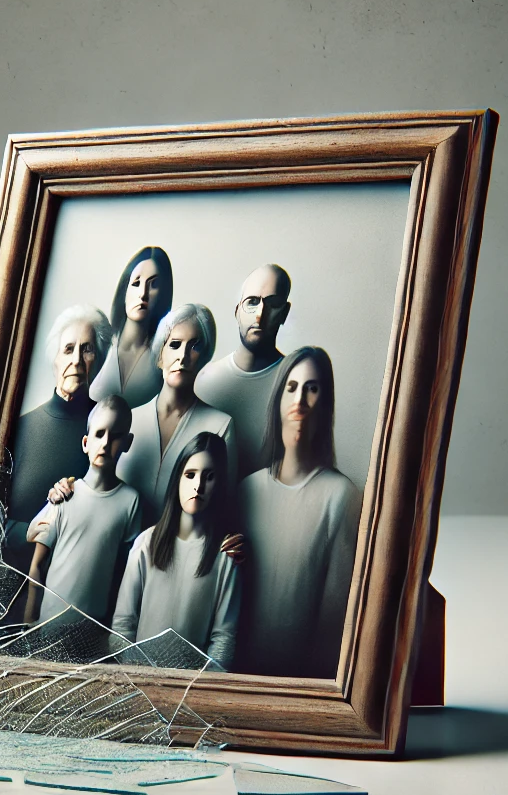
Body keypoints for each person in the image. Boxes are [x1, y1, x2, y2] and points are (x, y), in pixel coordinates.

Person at [234, 346, 361, 678]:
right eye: (291, 387)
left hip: (303, 684)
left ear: (326, 403)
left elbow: (334, 623)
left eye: (312, 388)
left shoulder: (341, 497)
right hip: (239, 676)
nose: (300, 400)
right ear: (277, 400)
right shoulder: (247, 491)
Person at [111, 432, 240, 670]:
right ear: (178, 479)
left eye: (209, 477)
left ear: (219, 485)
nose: (198, 485)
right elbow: (122, 626)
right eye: (190, 475)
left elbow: (224, 640)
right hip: (139, 684)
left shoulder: (224, 556)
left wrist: (200, 689)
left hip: (192, 692)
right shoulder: (146, 543)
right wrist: (136, 677)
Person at [2, 304, 112, 574]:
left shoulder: (110, 429)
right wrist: (25, 532)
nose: (76, 359)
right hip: (10, 579)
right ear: (55, 360)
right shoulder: (20, 429)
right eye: (68, 349)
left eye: (87, 349)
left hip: (78, 579)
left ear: (97, 361)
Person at [23, 396, 141, 629]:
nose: (106, 443)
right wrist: (28, 621)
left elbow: (124, 574)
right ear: (86, 442)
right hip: (47, 625)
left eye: (116, 436)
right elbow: (37, 564)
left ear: (127, 442)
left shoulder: (130, 501)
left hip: (92, 632)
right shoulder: (65, 495)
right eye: (99, 434)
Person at [116, 303, 236, 523]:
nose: (183, 356)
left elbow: (223, 509)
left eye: (194, 345)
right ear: (160, 355)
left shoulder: (221, 427)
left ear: (205, 355)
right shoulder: (128, 420)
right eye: (175, 344)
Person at [195, 264, 292, 479]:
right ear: (237, 311)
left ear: (285, 313)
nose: (260, 315)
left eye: (273, 303)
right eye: (252, 302)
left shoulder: (294, 384)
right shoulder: (206, 380)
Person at [89, 247, 174, 409]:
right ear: (125, 289)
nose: (143, 293)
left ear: (163, 293)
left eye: (153, 284)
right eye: (136, 283)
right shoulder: (98, 344)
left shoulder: (165, 360)